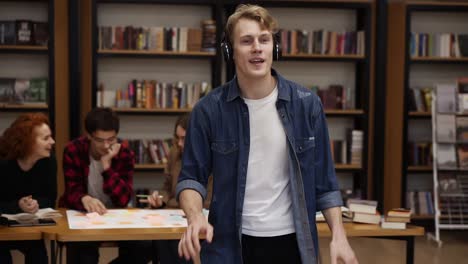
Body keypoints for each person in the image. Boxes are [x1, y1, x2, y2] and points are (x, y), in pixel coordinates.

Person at [175, 4, 358, 264]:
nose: (257, 48)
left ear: (275, 47)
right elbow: (192, 178)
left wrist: (339, 236)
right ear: (230, 51)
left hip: (293, 244)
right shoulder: (208, 110)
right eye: (246, 41)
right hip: (229, 245)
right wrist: (195, 218)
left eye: (264, 40)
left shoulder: (307, 104)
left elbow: (325, 184)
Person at [59, 107, 152, 264]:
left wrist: (107, 167)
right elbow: (71, 191)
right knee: (83, 251)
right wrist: (84, 199)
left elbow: (123, 199)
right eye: (100, 140)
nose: (106, 145)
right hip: (82, 215)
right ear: (89, 136)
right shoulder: (73, 150)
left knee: (144, 246)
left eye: (111, 139)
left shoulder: (124, 153)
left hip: (114, 216)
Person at [144, 113, 213, 264]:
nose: (180, 144)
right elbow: (167, 188)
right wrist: (159, 199)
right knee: (158, 240)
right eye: (177, 138)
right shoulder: (174, 153)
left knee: (179, 243)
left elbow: (207, 200)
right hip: (173, 218)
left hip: (199, 217)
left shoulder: (210, 156)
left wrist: (178, 203)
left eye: (184, 139)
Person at [0, 113, 57, 264]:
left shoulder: (49, 161)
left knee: (39, 256)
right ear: (28, 142)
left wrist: (34, 203)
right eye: (45, 138)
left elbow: (51, 200)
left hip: (30, 227)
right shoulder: (3, 162)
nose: (53, 141)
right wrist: (18, 205)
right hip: (1, 228)